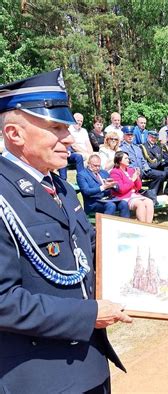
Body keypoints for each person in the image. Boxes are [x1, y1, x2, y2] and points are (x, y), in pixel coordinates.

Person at [0, 69, 131, 393]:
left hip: (90, 362)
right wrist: (87, 315)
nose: (70, 138)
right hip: (41, 377)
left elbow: (87, 247)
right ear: (15, 134)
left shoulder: (58, 185)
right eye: (57, 128)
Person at [77, 153, 130, 218]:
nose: (97, 168)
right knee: (111, 205)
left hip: (108, 199)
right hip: (93, 202)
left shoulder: (103, 172)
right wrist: (103, 187)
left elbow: (116, 187)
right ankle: (105, 227)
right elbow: (86, 191)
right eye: (95, 166)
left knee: (124, 203)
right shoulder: (82, 175)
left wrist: (113, 185)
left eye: (99, 166)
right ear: (88, 164)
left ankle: (125, 225)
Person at [120, 126, 166, 200]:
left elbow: (143, 160)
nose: (130, 136)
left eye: (131, 135)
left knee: (161, 174)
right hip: (132, 172)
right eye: (128, 135)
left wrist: (147, 168)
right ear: (124, 136)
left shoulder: (137, 147)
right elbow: (124, 163)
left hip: (143, 170)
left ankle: (153, 194)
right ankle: (148, 196)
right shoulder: (121, 148)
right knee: (138, 176)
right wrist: (135, 170)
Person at [109, 151, 155, 223]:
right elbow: (121, 189)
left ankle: (149, 225)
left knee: (149, 202)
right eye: (126, 158)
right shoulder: (114, 172)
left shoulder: (131, 170)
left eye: (128, 158)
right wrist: (132, 179)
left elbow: (138, 187)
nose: (128, 160)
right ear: (119, 160)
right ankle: (143, 226)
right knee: (140, 204)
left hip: (134, 195)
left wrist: (137, 178)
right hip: (123, 196)